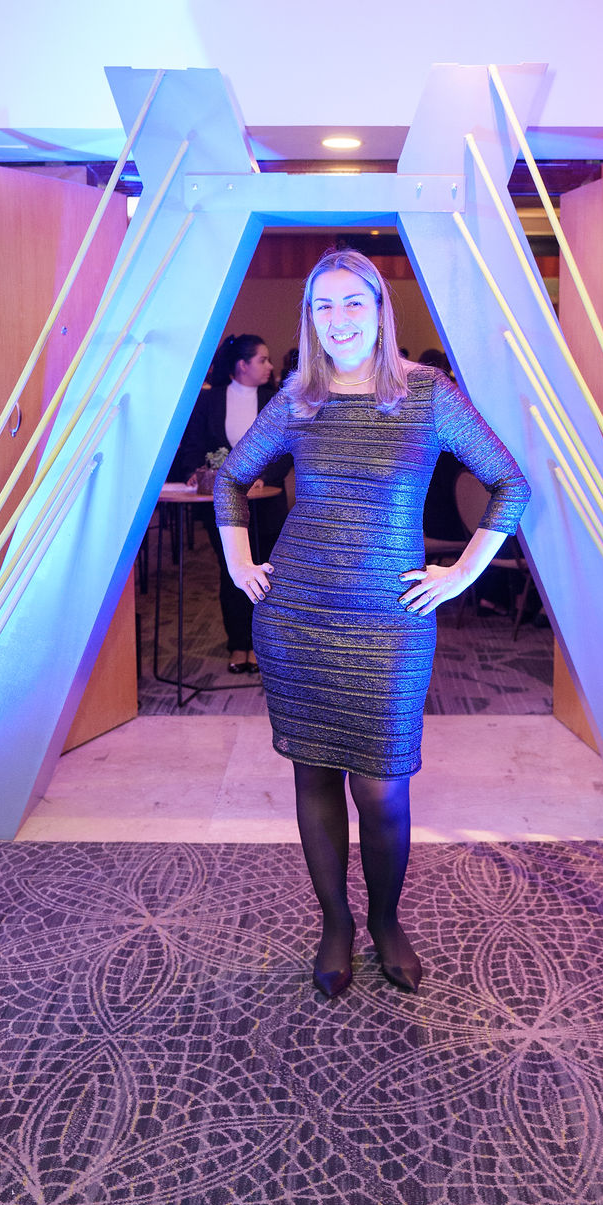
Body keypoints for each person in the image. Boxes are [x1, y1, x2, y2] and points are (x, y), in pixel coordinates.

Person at [214, 250, 530, 998]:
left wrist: (464, 572)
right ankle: (336, 923)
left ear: (381, 311)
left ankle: (386, 920)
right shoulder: (299, 398)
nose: (339, 319)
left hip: (390, 621)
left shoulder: (427, 394)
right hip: (298, 614)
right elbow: (231, 477)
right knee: (315, 774)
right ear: (309, 318)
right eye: (323, 305)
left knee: (384, 788)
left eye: (353, 302)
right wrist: (239, 560)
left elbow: (509, 483)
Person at [173, 334, 289, 673]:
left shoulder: (275, 400)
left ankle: (264, 646)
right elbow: (193, 444)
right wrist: (195, 472)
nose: (270, 366)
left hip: (267, 503)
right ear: (242, 365)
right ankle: (238, 644)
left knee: (267, 572)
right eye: (263, 360)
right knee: (232, 572)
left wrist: (266, 477)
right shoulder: (211, 400)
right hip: (223, 504)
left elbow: (288, 449)